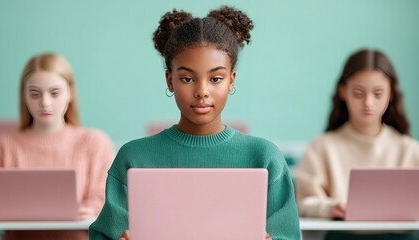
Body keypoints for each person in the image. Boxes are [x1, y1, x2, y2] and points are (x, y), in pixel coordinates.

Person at [89, 5, 301, 240]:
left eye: (216, 79)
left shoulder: (264, 157)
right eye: (187, 78)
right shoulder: (134, 157)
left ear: (231, 81)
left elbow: (288, 235)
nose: (202, 91)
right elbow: (103, 236)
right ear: (170, 80)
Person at [295, 49, 419, 240]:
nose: (368, 103)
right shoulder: (321, 147)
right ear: (343, 91)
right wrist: (329, 207)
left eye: (378, 94)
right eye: (359, 93)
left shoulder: (409, 149)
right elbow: (302, 202)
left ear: (391, 93)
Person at [0, 53, 115, 240]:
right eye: (34, 94)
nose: (45, 103)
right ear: (23, 95)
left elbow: (108, 201)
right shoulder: (4, 145)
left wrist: (94, 209)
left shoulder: (95, 143)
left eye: (54, 93)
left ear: (70, 93)